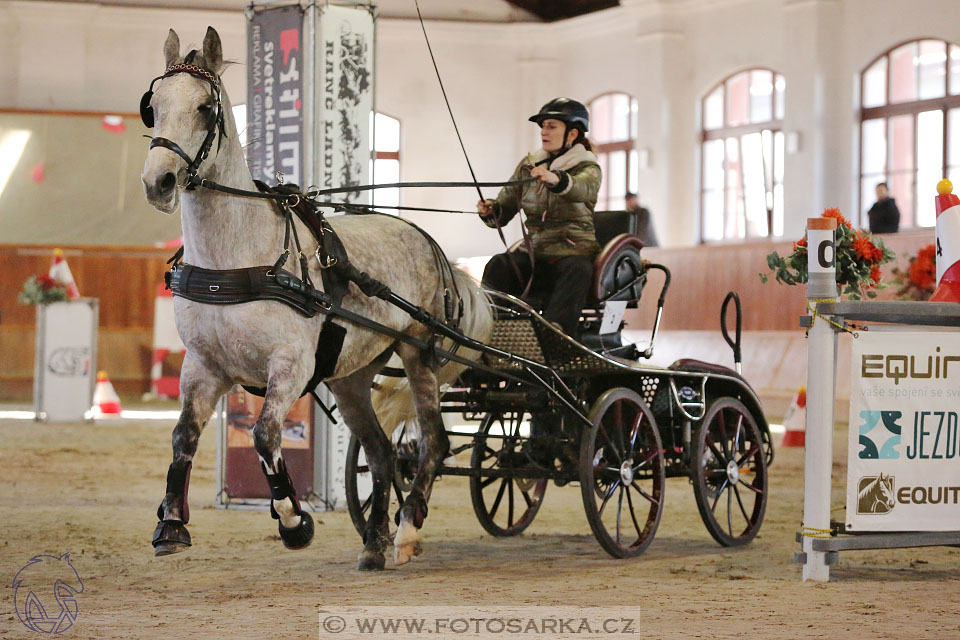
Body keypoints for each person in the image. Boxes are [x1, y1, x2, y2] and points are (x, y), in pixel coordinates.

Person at [477, 97, 601, 337]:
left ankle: (556, 336)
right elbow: (505, 206)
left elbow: (583, 188)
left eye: (552, 126)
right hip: (535, 253)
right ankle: (489, 329)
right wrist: (492, 210)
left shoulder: (588, 166)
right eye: (543, 126)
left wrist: (557, 179)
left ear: (572, 133)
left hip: (573, 252)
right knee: (499, 264)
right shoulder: (529, 165)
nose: (544, 131)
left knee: (577, 269)